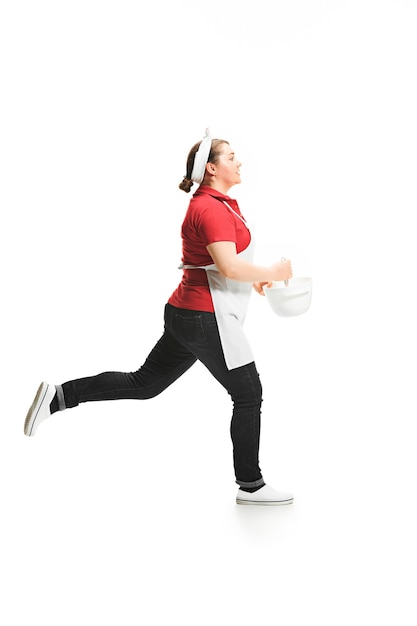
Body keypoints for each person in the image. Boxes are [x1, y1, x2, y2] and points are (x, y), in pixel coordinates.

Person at [24, 129, 294, 506]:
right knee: (248, 394)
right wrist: (275, 272)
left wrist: (256, 281)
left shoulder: (217, 202)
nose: (239, 161)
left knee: (145, 383)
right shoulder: (210, 208)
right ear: (213, 169)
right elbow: (229, 267)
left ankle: (60, 396)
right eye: (231, 157)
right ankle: (251, 485)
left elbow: (216, 265)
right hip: (203, 317)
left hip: (189, 313)